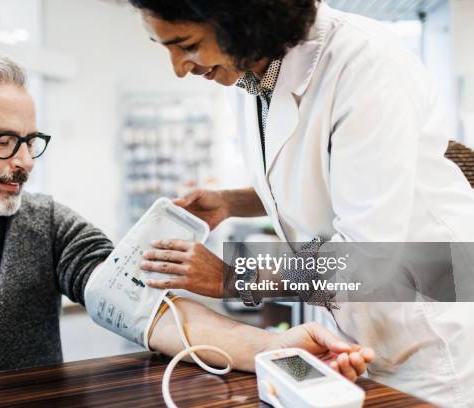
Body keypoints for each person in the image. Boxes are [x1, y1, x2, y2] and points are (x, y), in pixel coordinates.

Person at [0, 51, 372, 387]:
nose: (24, 161)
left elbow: (142, 308)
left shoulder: (45, 224)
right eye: (3, 141)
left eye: (30, 141)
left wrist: (270, 344)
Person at [129, 0, 474, 406]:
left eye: (186, 45)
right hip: (360, 327)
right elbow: (319, 177)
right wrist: (231, 202)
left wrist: (236, 276)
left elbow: (370, 255)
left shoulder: (365, 65)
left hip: (433, 329)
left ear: (242, 19)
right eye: (163, 46)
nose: (178, 67)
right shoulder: (250, 76)